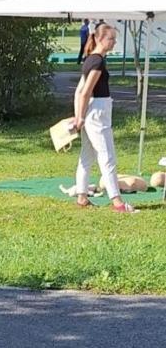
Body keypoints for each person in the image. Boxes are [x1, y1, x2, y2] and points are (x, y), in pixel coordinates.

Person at [72, 23, 136, 213]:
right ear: (100, 39)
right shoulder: (97, 61)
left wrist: (79, 116)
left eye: (115, 39)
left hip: (92, 111)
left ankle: (82, 197)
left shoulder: (90, 59)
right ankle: (117, 202)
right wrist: (80, 117)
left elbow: (79, 93)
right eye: (110, 39)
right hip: (98, 112)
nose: (113, 42)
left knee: (87, 155)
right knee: (107, 155)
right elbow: (84, 92)